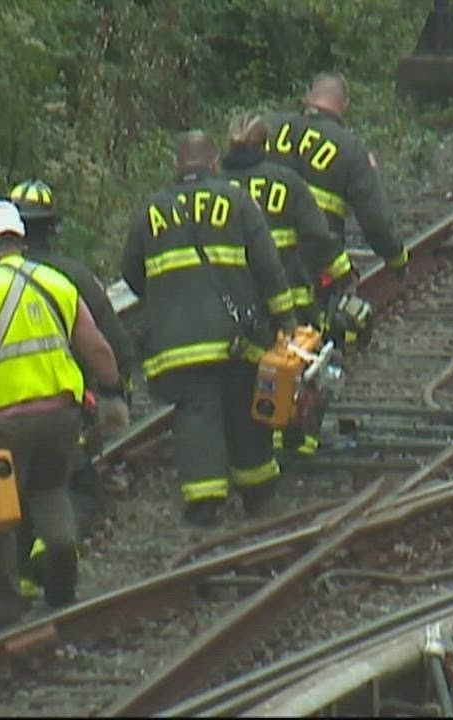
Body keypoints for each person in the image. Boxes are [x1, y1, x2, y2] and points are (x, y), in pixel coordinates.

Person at [0, 179, 134, 600]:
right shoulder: (57, 282)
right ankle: (62, 569)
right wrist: (112, 395)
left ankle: (3, 610)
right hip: (60, 418)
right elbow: (98, 346)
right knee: (52, 490)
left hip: (4, 424)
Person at [120, 130, 296, 526]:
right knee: (243, 407)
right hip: (235, 340)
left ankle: (205, 501)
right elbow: (268, 267)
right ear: (214, 163)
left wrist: (164, 298)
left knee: (195, 413)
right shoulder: (237, 200)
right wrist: (285, 319)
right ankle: (257, 490)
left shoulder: (152, 209)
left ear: (177, 165)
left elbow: (131, 272)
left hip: (177, 344)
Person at [221, 112, 341, 457]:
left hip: (236, 302)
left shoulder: (216, 187)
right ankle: (300, 438)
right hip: (288, 295)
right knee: (304, 367)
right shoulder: (286, 181)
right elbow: (318, 237)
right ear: (267, 145)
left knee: (247, 372)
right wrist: (343, 275)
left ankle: (258, 436)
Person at [264, 70, 409, 297]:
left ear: (308, 96)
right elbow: (374, 218)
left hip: (261, 254)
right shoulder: (349, 147)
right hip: (316, 261)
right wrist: (396, 257)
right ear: (345, 105)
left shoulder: (269, 129)